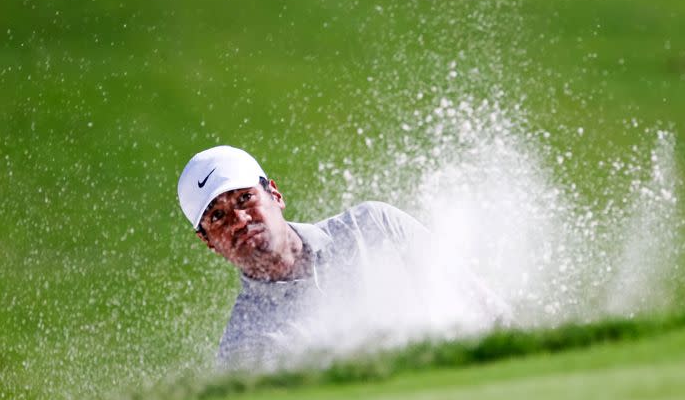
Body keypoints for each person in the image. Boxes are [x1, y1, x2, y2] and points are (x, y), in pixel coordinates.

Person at [178, 145, 508, 372]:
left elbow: (488, 311)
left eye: (245, 198)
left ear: (274, 194)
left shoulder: (375, 226)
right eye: (218, 217)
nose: (239, 220)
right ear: (207, 241)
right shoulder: (245, 347)